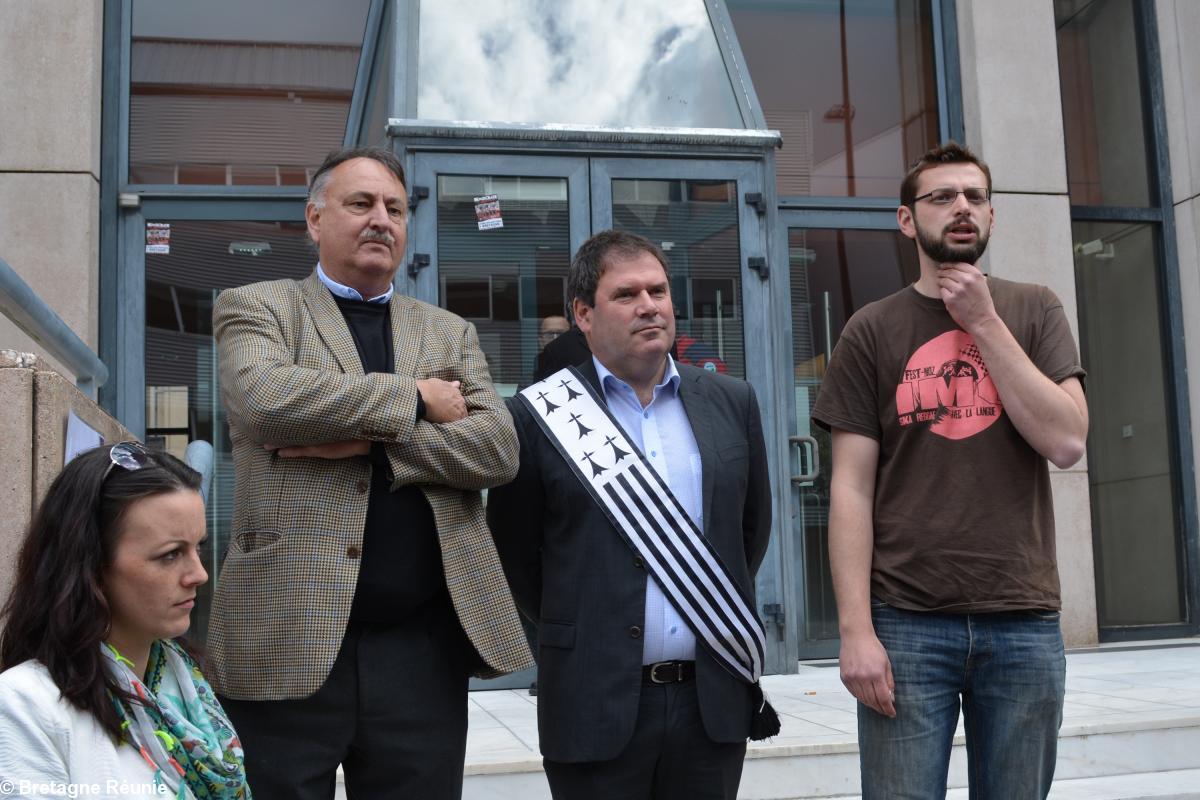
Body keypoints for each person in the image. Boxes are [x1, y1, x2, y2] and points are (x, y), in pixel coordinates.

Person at [209, 146, 532, 798]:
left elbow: (498, 449)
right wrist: (415, 401)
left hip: (420, 651)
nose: (380, 219)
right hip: (287, 638)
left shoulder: (448, 332)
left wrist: (374, 446)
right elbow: (267, 400)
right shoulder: (258, 307)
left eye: (394, 207)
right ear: (315, 218)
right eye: (360, 204)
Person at [813, 141, 1088, 798]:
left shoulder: (1034, 309)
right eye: (941, 197)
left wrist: (983, 322)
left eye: (974, 197)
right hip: (907, 621)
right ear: (907, 221)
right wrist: (855, 632)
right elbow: (850, 488)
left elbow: (1068, 441)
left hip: (1022, 618)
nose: (961, 208)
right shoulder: (871, 330)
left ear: (991, 215)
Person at [489, 229, 773, 800]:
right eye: (626, 295)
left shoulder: (732, 401)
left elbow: (749, 531)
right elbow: (516, 554)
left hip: (709, 702)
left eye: (659, 291)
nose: (649, 306)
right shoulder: (535, 416)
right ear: (583, 314)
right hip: (593, 699)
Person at [0, 442, 249, 798]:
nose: (198, 574)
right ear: (91, 566)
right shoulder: (26, 704)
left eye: (199, 548)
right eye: (170, 555)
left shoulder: (185, 688)